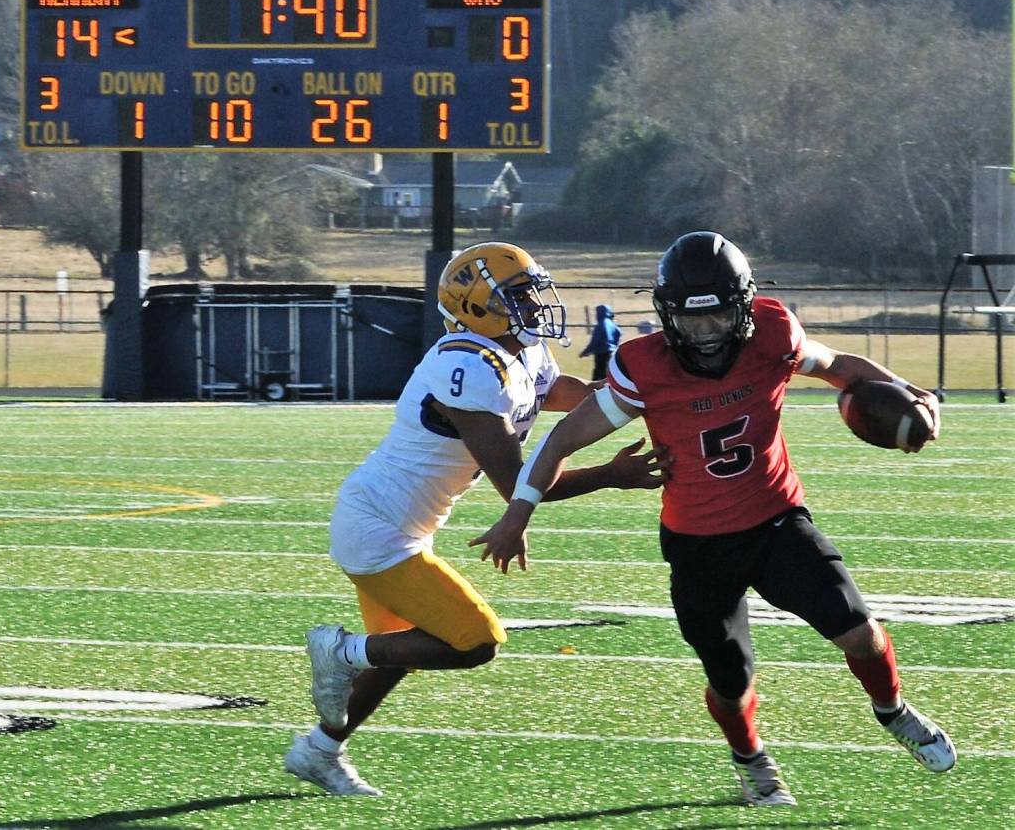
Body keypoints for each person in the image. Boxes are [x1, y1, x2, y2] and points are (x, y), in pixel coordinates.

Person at [473, 231, 956, 806]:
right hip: (698, 544)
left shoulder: (774, 334)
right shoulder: (644, 366)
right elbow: (562, 440)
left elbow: (841, 367)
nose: (705, 334)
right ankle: (751, 759)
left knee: (863, 634)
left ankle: (893, 710)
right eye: (691, 320)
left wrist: (909, 393)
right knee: (731, 684)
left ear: (745, 307)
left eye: (720, 318)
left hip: (776, 519)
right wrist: (518, 512)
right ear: (666, 314)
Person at [285, 241, 668, 796]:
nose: (536, 304)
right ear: (476, 306)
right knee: (474, 640)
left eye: (533, 291)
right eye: (519, 296)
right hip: (378, 531)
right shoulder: (467, 365)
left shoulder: (518, 349)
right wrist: (610, 474)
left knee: (403, 651)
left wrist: (635, 396)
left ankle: (318, 751)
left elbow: (564, 394)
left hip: (401, 526)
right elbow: (518, 485)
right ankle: (338, 651)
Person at [579, 303, 622, 380]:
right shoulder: (612, 323)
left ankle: (594, 389)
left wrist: (585, 352)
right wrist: (615, 345)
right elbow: (618, 333)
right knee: (609, 373)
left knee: (599, 373)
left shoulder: (601, 325)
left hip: (601, 353)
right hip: (611, 352)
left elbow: (595, 341)